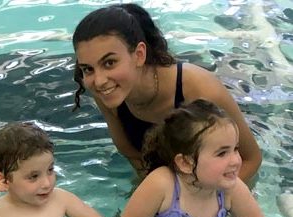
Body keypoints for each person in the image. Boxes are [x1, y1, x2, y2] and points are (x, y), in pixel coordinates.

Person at [72, 3, 261, 183]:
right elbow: (136, 158)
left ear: (139, 55)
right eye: (88, 69)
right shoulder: (108, 94)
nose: (99, 80)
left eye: (109, 63)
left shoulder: (198, 87)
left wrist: (212, 204)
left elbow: (251, 159)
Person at [119, 99, 277, 217]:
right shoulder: (162, 184)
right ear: (186, 163)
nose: (235, 160)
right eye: (222, 153)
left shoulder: (231, 190)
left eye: (236, 149)